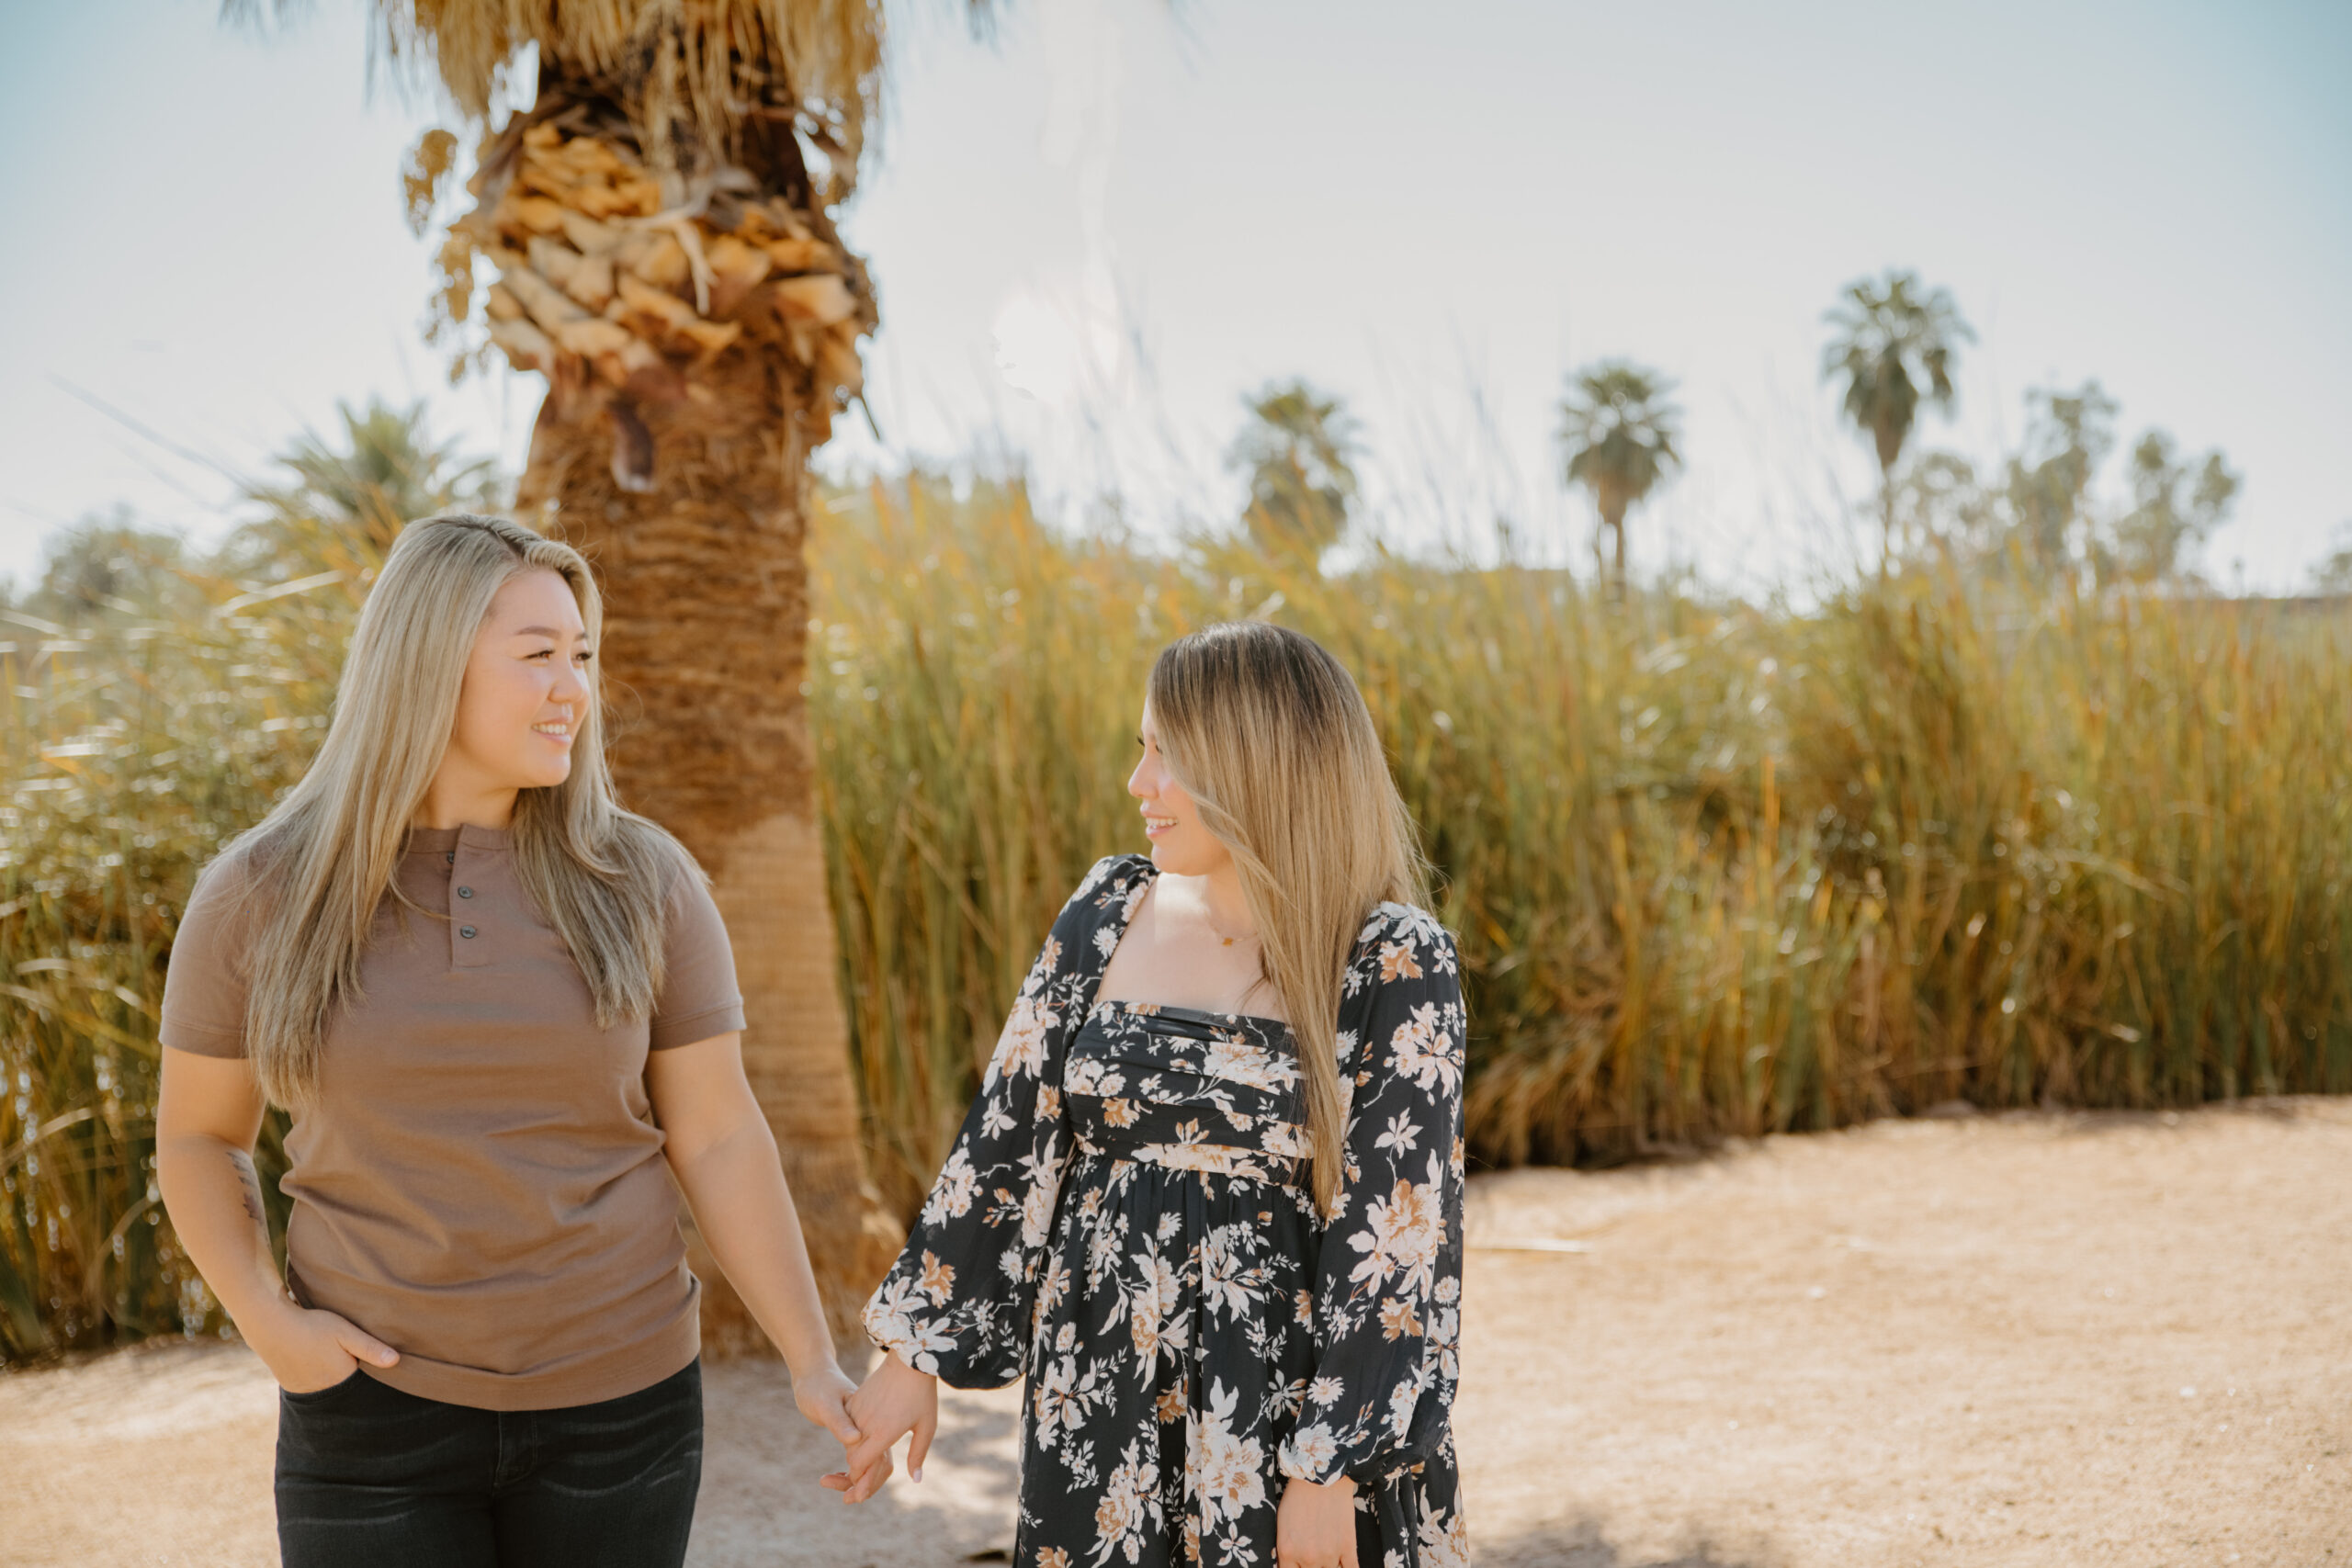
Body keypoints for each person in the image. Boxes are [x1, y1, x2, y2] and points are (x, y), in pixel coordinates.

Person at [154, 513, 860, 1567]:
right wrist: (268, 1322)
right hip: (371, 1418)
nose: (573, 687)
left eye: (581, 656)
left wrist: (811, 1358)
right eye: (538, 657)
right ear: (428, 662)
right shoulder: (261, 892)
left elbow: (716, 1134)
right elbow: (201, 1137)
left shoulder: (644, 881)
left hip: (624, 1414)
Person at [834, 620, 1472, 1568]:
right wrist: (912, 1359)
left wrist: (1329, 1469)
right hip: (1096, 1396)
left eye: (1165, 754)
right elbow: (1010, 1139)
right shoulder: (1107, 909)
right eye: (1141, 751)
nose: (1139, 785)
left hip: (1281, 1418)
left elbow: (1401, 1237)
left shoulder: (1390, 957)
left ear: (1252, 765)